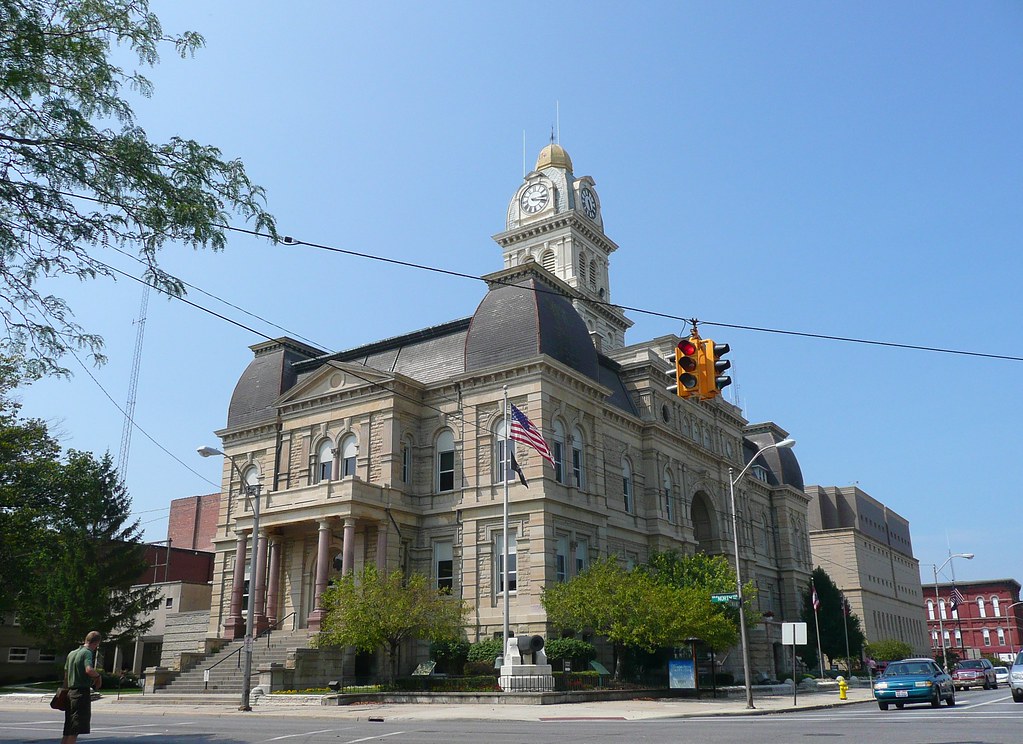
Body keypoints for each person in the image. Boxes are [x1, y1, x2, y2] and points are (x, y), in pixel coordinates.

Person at [62, 631, 102, 744]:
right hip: (80, 693)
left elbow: (66, 675)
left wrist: (65, 691)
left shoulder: (72, 653)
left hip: (70, 692)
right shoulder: (87, 653)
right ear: (96, 643)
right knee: (75, 729)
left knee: (68, 728)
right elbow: (89, 669)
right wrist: (98, 677)